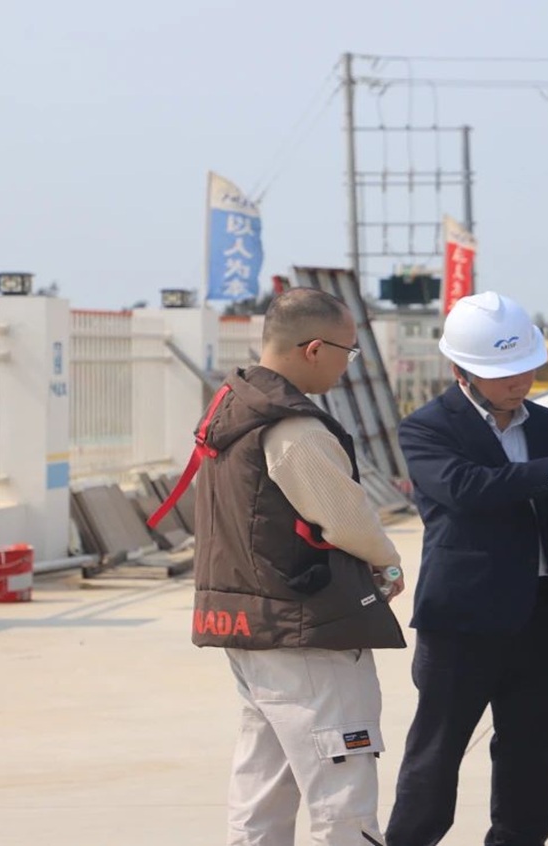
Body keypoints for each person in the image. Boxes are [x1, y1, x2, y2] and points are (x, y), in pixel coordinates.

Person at [168, 287, 408, 845]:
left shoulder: (231, 406)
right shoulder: (294, 429)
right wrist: (389, 564)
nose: (349, 366)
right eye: (348, 352)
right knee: (342, 792)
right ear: (314, 348)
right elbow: (347, 520)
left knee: (264, 789)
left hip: (248, 624)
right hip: (308, 628)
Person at [386, 291, 548, 846]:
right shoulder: (427, 428)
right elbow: (466, 490)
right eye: (503, 373)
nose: (520, 381)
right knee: (436, 754)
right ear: (460, 370)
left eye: (526, 367)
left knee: (534, 756)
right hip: (462, 621)